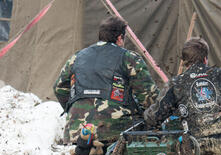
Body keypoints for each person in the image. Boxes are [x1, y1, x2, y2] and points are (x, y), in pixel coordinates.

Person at [54, 16, 158, 146]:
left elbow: (59, 89)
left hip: (78, 130)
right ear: (120, 38)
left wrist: (75, 109)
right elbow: (149, 96)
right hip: (116, 129)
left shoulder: (77, 57)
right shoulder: (129, 58)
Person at [144, 37, 221, 155]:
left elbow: (154, 117)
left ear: (184, 62)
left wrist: (144, 114)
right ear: (205, 59)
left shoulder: (176, 84)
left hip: (197, 149)